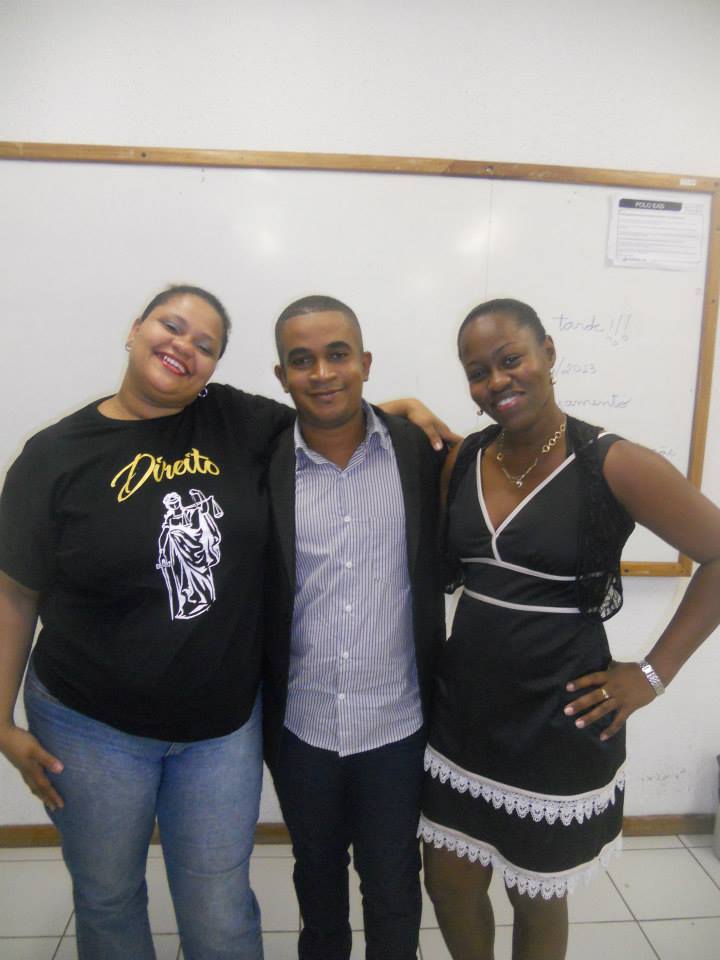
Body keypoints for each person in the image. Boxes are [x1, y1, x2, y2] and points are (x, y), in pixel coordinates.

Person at [0, 284, 453, 960]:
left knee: (220, 905)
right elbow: (15, 592)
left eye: (205, 344)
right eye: (171, 325)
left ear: (214, 367)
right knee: (108, 895)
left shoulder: (235, 421)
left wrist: (401, 412)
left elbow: (329, 411)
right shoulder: (55, 454)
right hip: (90, 724)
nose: (183, 346)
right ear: (135, 328)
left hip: (220, 728)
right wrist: (1, 721)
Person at [418, 298, 720, 960]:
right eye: (477, 372)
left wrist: (652, 675)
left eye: (510, 359)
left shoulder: (613, 461)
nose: (496, 381)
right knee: (446, 884)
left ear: (548, 353)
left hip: (558, 719)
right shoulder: (464, 458)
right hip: (464, 714)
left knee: (535, 894)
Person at [263, 295, 447, 960]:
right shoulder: (262, 461)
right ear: (281, 376)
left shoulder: (419, 452)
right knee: (316, 886)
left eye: (337, 355)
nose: (322, 373)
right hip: (301, 726)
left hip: (396, 724)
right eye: (302, 360)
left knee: (394, 886)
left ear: (365, 362)